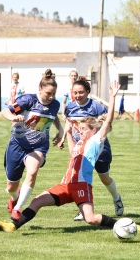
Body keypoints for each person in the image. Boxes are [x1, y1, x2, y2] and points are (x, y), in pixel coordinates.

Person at [0, 80, 126, 232]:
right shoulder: (80, 144)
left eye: (82, 129)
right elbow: (72, 151)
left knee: (90, 218)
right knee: (36, 201)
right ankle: (11, 226)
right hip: (65, 186)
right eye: (78, 129)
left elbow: (108, 120)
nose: (79, 132)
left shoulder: (96, 141)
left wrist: (113, 97)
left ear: (93, 130)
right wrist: (67, 132)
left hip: (81, 186)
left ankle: (121, 225)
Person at [1, 69, 64, 221]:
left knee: (32, 171)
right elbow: (6, 111)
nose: (51, 97)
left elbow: (53, 116)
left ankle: (17, 209)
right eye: (48, 93)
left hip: (38, 147)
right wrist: (13, 118)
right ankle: (15, 197)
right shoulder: (27, 100)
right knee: (11, 186)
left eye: (53, 94)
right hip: (17, 144)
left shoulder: (55, 104)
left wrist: (60, 130)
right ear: (40, 89)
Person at [58, 76, 124, 221]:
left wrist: (113, 98)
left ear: (88, 92)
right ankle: (84, 210)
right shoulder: (70, 107)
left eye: (81, 92)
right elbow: (70, 126)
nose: (77, 95)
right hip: (81, 151)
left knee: (104, 178)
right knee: (81, 179)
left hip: (99, 150)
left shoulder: (96, 107)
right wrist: (63, 137)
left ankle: (116, 198)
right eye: (75, 93)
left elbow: (108, 122)